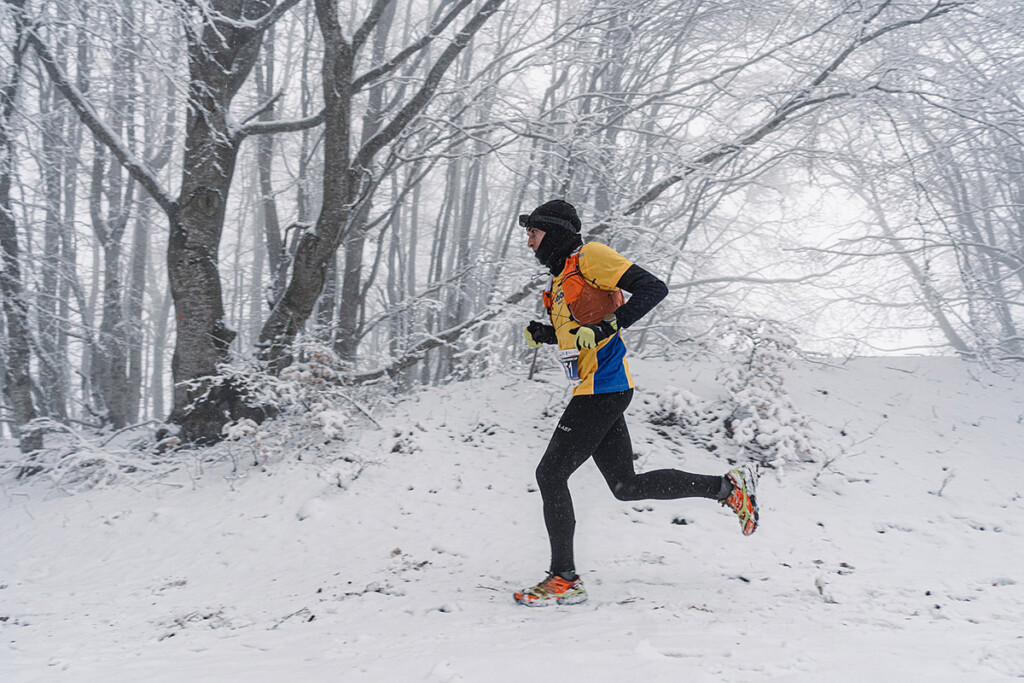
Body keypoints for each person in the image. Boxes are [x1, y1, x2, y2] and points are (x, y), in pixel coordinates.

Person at [513, 199, 759, 607]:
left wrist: (609, 325)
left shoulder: (590, 256)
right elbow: (581, 332)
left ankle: (564, 578)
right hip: (596, 388)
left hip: (603, 388)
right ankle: (726, 488)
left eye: (533, 234)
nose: (529, 243)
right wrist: (547, 333)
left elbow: (653, 288)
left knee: (550, 474)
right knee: (625, 486)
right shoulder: (560, 280)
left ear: (553, 232)